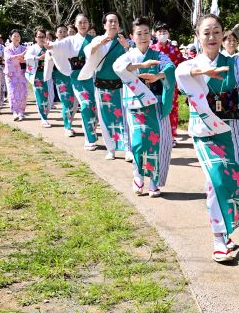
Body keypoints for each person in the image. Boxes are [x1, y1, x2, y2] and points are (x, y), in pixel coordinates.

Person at [176, 13, 239, 262]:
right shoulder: (190, 66)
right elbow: (181, 74)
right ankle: (218, 238)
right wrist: (202, 71)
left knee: (236, 182)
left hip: (230, 130)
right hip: (205, 132)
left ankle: (227, 229)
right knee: (217, 181)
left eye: (216, 31)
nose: (212, 37)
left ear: (223, 35)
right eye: (206, 32)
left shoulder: (236, 63)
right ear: (197, 36)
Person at [113, 16, 176, 197]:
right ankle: (138, 175)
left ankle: (154, 181)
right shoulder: (127, 56)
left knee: (157, 142)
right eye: (139, 33)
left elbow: (170, 67)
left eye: (147, 33)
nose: (143, 36)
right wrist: (142, 65)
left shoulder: (158, 55)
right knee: (139, 143)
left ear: (152, 35)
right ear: (132, 37)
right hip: (136, 104)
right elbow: (118, 67)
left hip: (155, 102)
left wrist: (158, 76)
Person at [79, 12, 132, 161]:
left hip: (120, 86)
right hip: (101, 86)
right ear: (104, 25)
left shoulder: (123, 41)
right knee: (105, 118)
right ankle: (111, 149)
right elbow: (88, 52)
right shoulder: (98, 39)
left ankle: (128, 148)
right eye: (110, 21)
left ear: (119, 25)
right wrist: (99, 44)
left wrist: (127, 46)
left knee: (124, 117)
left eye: (115, 21)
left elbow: (133, 57)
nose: (113, 24)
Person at [45, 13, 99, 151]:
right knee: (86, 105)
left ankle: (91, 131)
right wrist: (51, 46)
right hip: (78, 78)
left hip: (92, 78)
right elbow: (58, 45)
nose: (83, 25)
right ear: (75, 24)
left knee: (94, 106)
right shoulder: (70, 40)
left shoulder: (94, 40)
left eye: (85, 22)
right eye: (80, 22)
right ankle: (89, 138)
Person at [150, 21, 185, 147]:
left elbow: (181, 63)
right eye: (160, 32)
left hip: (171, 84)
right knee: (156, 107)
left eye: (164, 32)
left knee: (172, 108)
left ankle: (171, 135)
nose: (162, 34)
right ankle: (158, 133)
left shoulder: (174, 49)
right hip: (155, 84)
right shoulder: (152, 49)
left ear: (168, 33)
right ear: (155, 34)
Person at [46, 24, 78, 136]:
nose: (63, 34)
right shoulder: (52, 45)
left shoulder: (72, 44)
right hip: (60, 76)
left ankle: (70, 123)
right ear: (56, 34)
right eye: (60, 32)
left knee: (75, 102)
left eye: (65, 31)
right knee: (66, 100)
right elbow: (48, 58)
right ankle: (67, 127)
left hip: (74, 75)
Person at [25, 28, 54, 127]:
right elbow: (27, 57)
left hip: (48, 74)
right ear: (35, 38)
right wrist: (37, 58)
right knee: (41, 97)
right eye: (39, 37)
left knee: (50, 96)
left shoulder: (48, 46)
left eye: (43, 36)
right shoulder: (33, 48)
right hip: (37, 75)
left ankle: (45, 114)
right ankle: (43, 118)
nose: (41, 38)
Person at [4, 29, 28, 121]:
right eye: (14, 36)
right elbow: (8, 59)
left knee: (23, 93)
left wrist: (23, 58)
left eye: (18, 36)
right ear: (10, 37)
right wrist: (21, 56)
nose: (17, 38)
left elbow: (27, 59)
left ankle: (21, 112)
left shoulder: (24, 48)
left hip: (22, 73)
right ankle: (14, 112)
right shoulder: (7, 49)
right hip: (11, 74)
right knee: (12, 93)